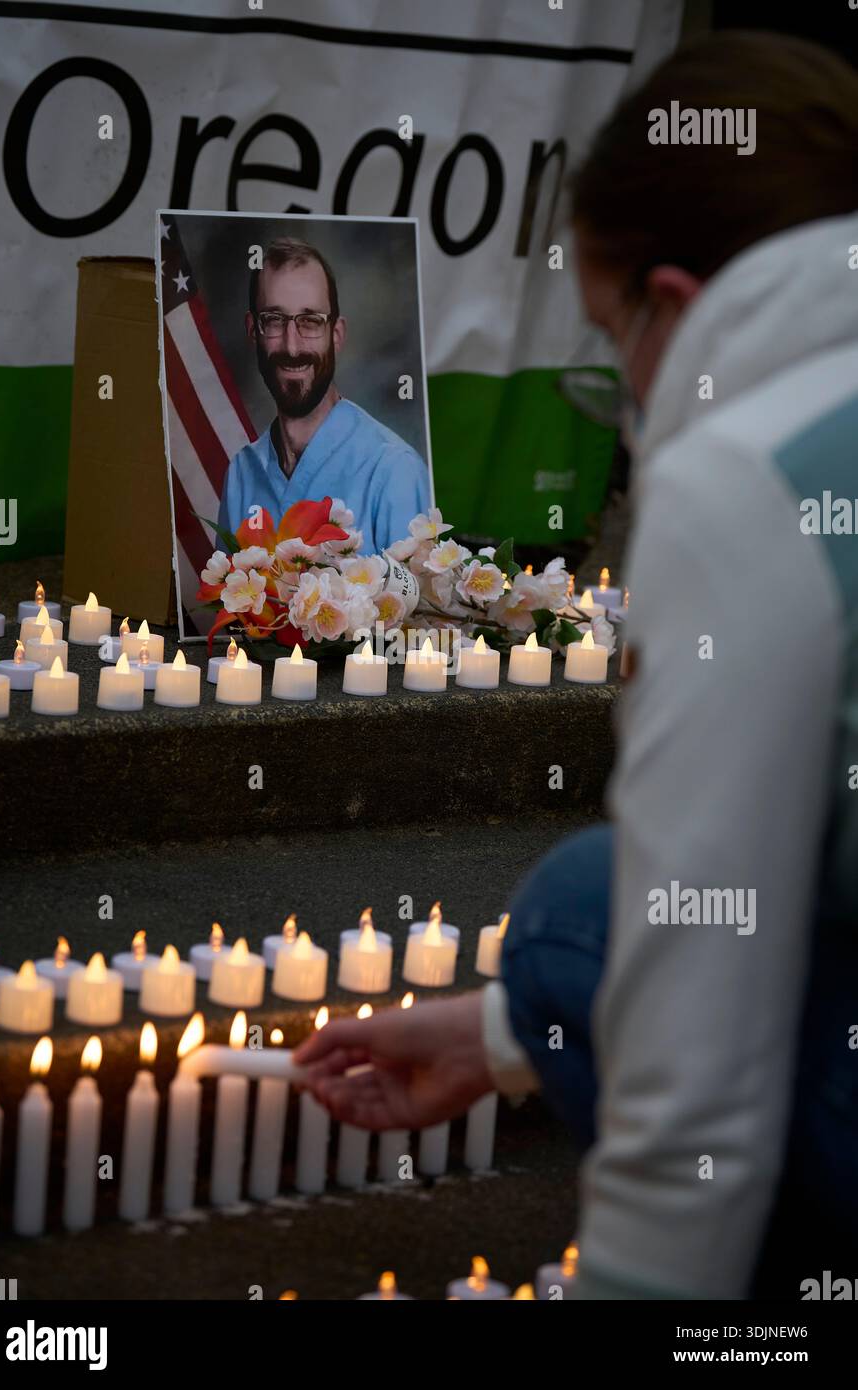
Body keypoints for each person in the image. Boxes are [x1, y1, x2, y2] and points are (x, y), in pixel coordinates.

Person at [295, 32, 858, 1299]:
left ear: (672, 301)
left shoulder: (749, 481)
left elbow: (694, 1039)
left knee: (576, 913)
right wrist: (507, 1038)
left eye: (613, 345)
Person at [218, 236, 431, 552]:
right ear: (253, 331)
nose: (292, 346)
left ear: (337, 334)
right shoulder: (241, 474)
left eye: (310, 321)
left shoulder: (394, 471)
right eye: (274, 320)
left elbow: (418, 601)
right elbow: (224, 600)